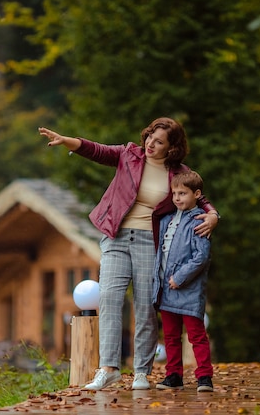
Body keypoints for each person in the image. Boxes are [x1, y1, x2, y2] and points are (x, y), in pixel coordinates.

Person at [38, 117, 219, 390]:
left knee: (145, 306)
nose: (150, 144)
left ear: (172, 148)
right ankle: (108, 368)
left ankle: (141, 373)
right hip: (117, 237)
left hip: (150, 242)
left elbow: (198, 197)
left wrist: (213, 215)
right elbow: (97, 150)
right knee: (110, 298)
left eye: (159, 142)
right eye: (150, 137)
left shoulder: (178, 172)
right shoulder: (129, 155)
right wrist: (68, 141)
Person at [153, 170, 214, 392]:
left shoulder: (200, 220)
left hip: (187, 289)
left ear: (197, 194)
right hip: (167, 289)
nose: (177, 198)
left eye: (183, 193)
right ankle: (174, 374)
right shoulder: (167, 221)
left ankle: (205, 377)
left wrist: (179, 278)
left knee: (196, 335)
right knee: (170, 336)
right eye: (174, 193)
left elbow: (201, 256)